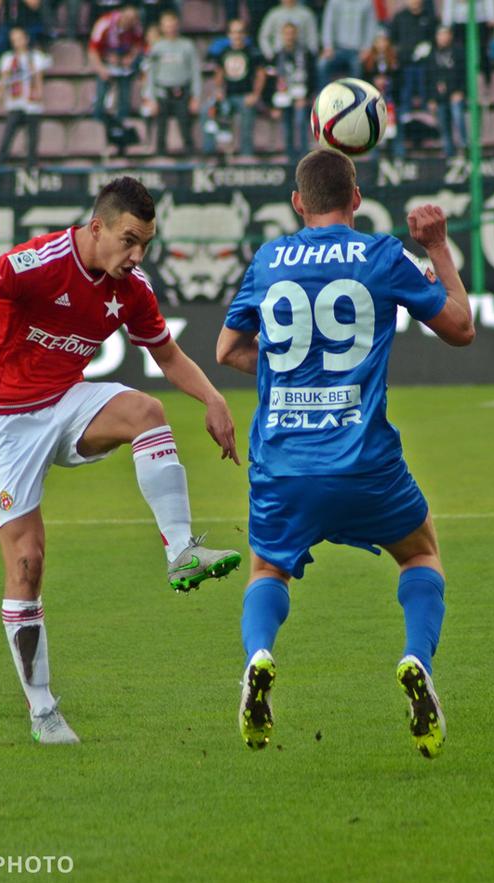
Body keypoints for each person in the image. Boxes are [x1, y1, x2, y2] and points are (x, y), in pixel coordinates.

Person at [0, 177, 242, 745]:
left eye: (144, 243)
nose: (137, 254)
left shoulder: (132, 287)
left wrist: (214, 399)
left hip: (66, 401)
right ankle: (42, 709)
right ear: (97, 227)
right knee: (28, 563)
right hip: (2, 421)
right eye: (128, 240)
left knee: (146, 411)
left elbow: (165, 353)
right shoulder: (43, 261)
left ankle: (181, 553)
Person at [216, 148, 475, 758]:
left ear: (297, 203)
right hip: (364, 462)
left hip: (283, 464)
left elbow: (228, 348)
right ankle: (415, 658)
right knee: (420, 554)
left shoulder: (270, 257)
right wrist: (436, 245)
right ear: (356, 199)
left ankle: (259, 657)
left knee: (268, 569)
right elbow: (461, 328)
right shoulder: (383, 255)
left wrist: (291, 378)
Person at [202, 19, 266, 158]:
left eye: (240, 32)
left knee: (247, 112)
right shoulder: (223, 52)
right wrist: (218, 91)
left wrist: (255, 95)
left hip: (245, 96)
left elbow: (261, 74)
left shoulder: (252, 52)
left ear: (245, 34)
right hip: (227, 96)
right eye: (234, 32)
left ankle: (246, 154)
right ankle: (210, 153)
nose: (237, 35)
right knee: (207, 109)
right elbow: (219, 73)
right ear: (229, 34)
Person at [142, 10, 201, 156]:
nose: (170, 29)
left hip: (182, 91)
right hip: (162, 91)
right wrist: (150, 98)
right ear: (162, 27)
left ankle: (190, 154)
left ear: (178, 25)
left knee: (185, 123)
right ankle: (161, 155)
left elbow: (195, 72)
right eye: (167, 26)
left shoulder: (187, 45)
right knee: (161, 127)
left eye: (173, 25)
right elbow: (150, 74)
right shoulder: (157, 47)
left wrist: (196, 96)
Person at [0, 26, 49, 167]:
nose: (16, 42)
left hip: (31, 103)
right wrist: (0, 93)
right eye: (14, 40)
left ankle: (32, 164)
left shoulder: (36, 56)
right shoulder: (7, 58)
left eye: (19, 39)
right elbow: (3, 78)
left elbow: (38, 78)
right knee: (8, 134)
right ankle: (1, 162)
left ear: (26, 39)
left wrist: (40, 93)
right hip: (15, 102)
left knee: (32, 138)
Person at [88, 4, 144, 121]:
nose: (129, 22)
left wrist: (131, 57)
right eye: (127, 19)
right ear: (121, 14)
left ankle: (121, 123)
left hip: (123, 64)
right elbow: (92, 51)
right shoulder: (104, 23)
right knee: (101, 95)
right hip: (104, 61)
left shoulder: (136, 26)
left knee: (124, 97)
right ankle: (98, 121)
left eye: (133, 20)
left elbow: (138, 45)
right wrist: (100, 69)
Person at [270, 22, 316, 163]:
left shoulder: (305, 53)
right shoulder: (278, 55)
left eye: (292, 33)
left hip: (301, 96)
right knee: (286, 123)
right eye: (286, 33)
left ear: (296, 35)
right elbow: (272, 79)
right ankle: (290, 157)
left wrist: (308, 97)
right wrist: (274, 104)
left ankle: (304, 155)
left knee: (300, 118)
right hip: (284, 97)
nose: (289, 37)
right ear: (282, 36)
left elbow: (313, 77)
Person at [426, 26, 467, 157]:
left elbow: (464, 74)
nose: (443, 38)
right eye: (440, 35)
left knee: (457, 116)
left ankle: (464, 147)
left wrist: (461, 91)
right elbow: (429, 78)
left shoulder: (458, 52)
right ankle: (448, 151)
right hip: (439, 98)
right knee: (443, 124)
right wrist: (431, 98)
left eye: (446, 34)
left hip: (455, 94)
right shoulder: (432, 55)